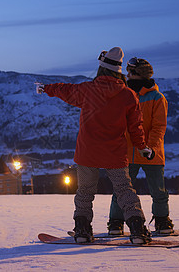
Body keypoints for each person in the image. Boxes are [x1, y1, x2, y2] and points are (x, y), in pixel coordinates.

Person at [36, 47, 154, 244]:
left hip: (87, 153)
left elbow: (65, 90)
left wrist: (46, 88)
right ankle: (137, 230)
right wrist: (142, 147)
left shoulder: (86, 90)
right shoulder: (128, 95)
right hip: (114, 153)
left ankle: (82, 230)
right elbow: (136, 128)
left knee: (85, 192)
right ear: (118, 70)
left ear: (101, 68)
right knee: (125, 190)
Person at [107, 57, 173, 235]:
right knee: (121, 190)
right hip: (126, 153)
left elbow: (159, 126)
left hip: (152, 153)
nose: (127, 75)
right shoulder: (122, 95)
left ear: (139, 74)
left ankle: (162, 220)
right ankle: (116, 222)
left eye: (130, 72)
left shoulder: (157, 98)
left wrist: (150, 148)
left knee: (158, 191)